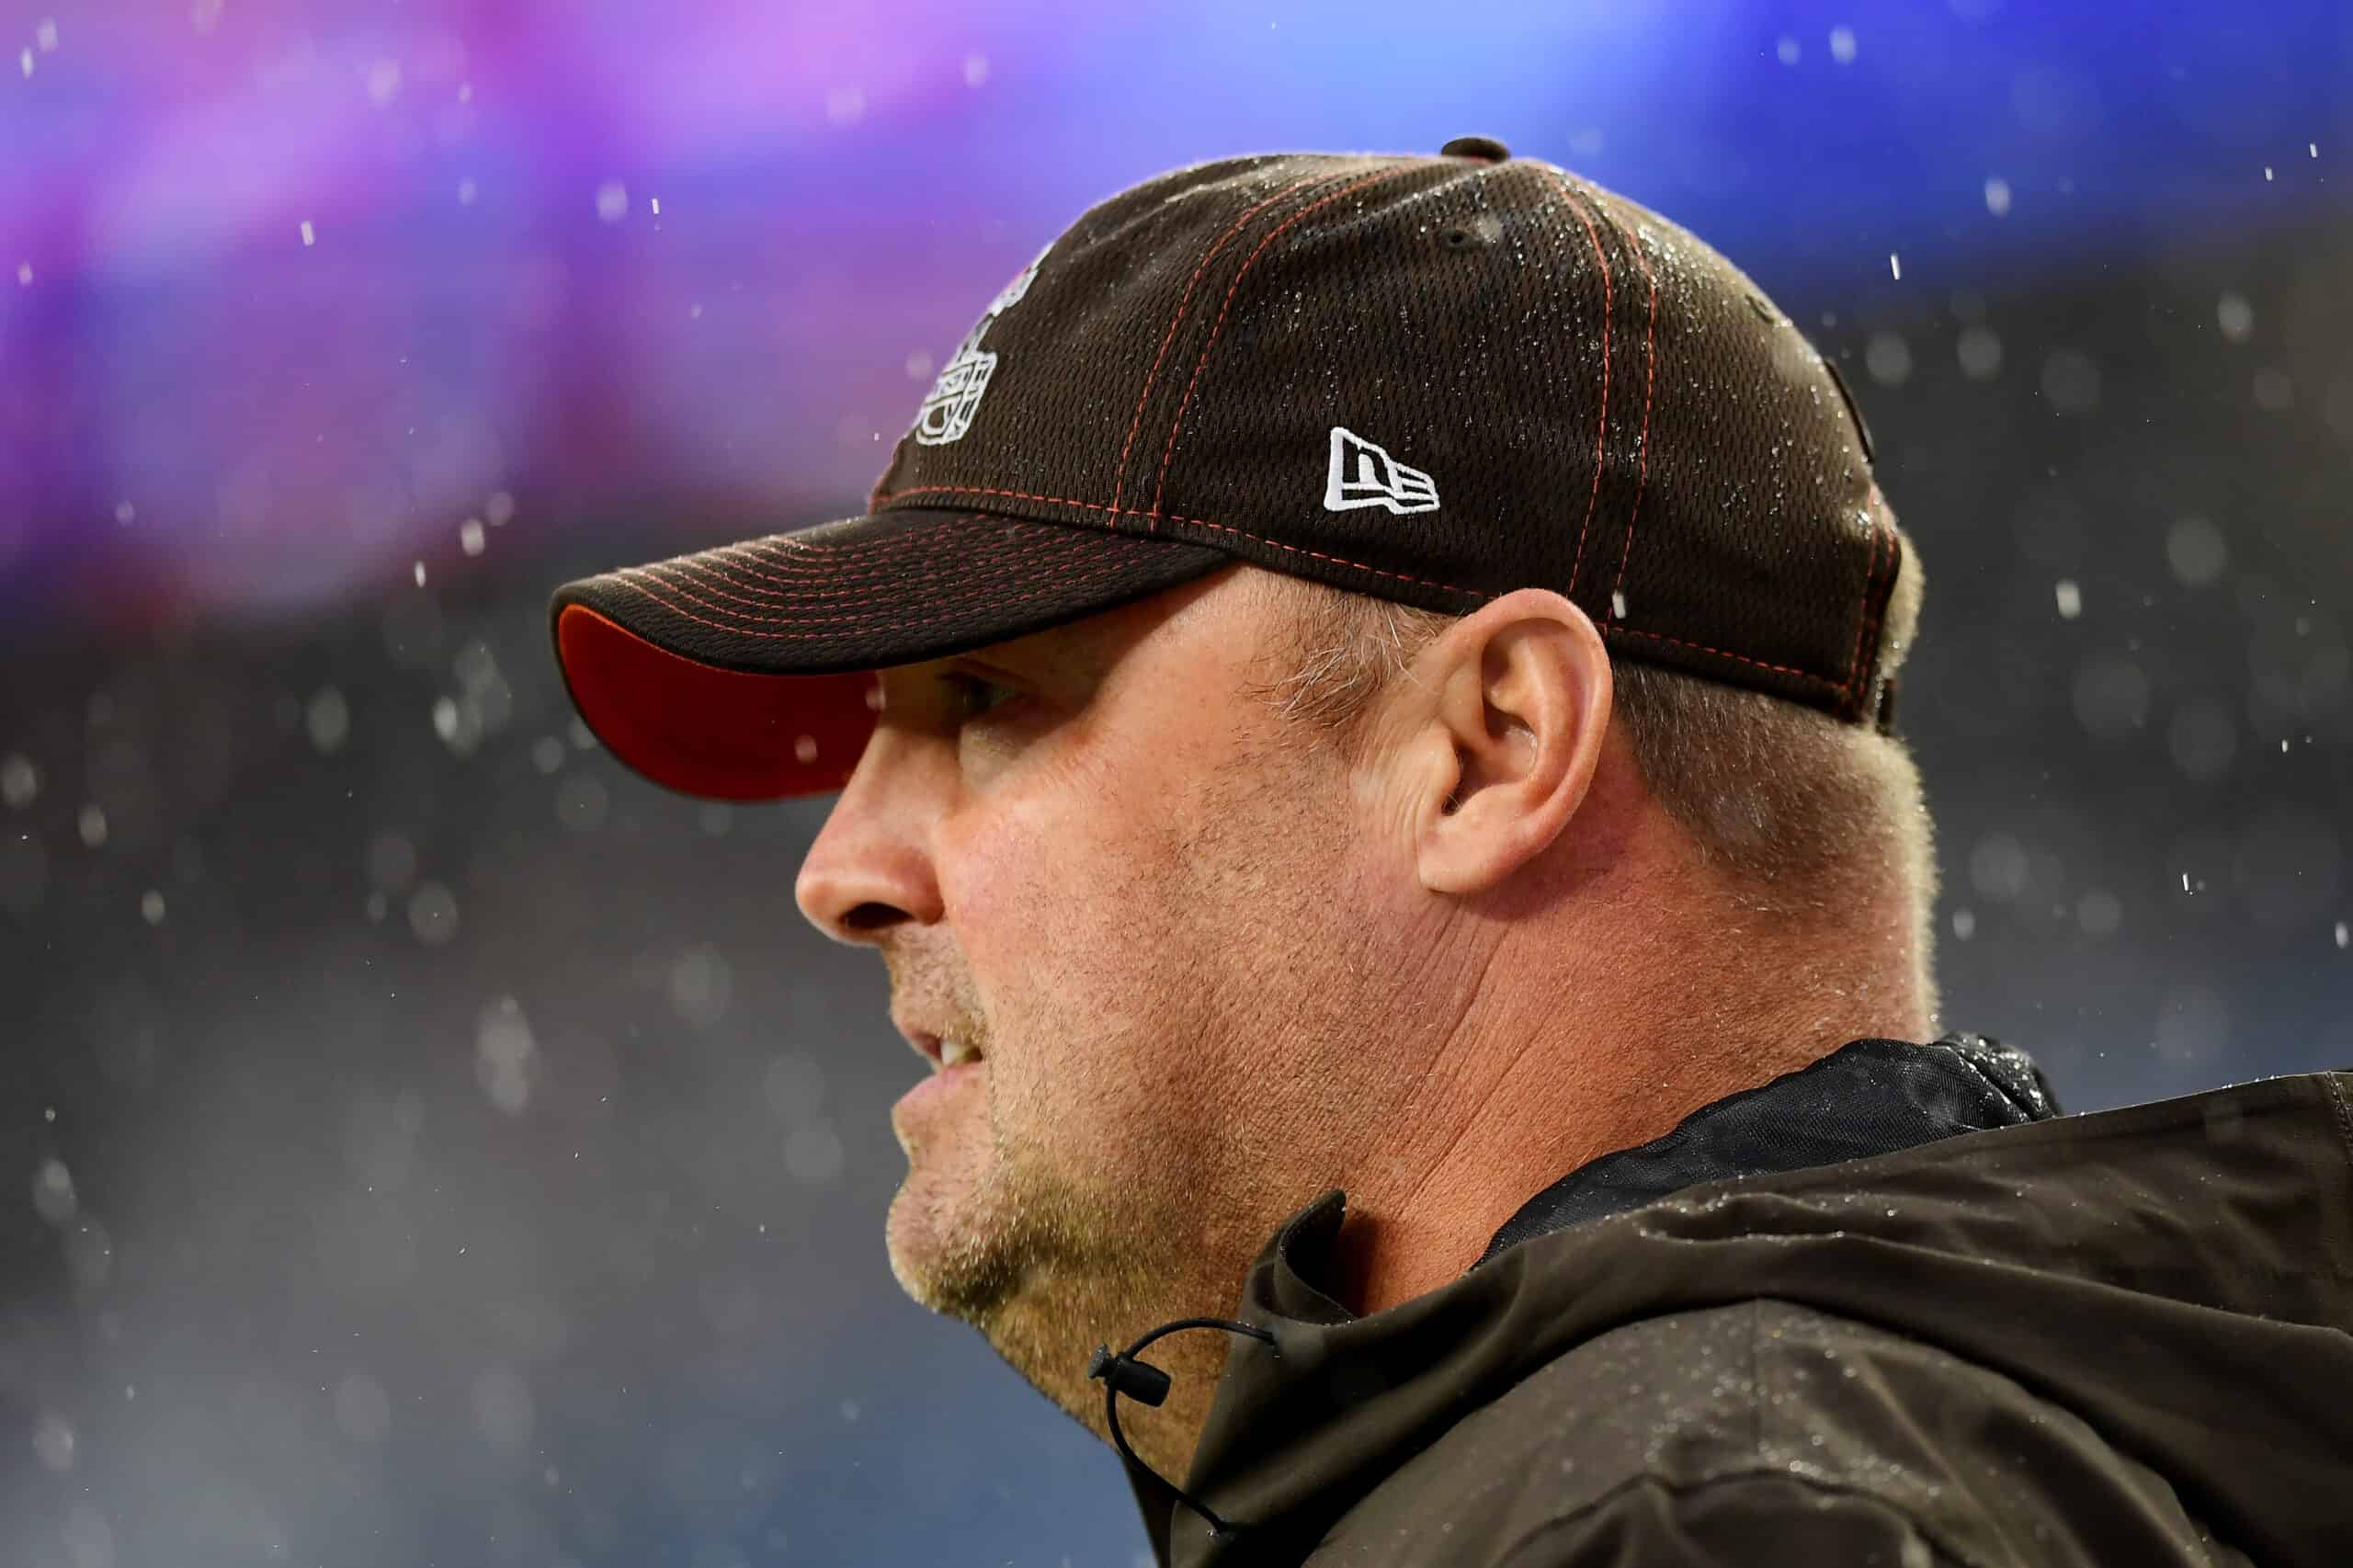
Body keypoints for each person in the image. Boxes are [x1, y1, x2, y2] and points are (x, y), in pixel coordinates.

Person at [549, 141, 2353, 1566]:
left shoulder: (1679, 1519)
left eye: (991, 700)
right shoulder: (1985, 1430)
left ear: (1490, 748)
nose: (844, 863)